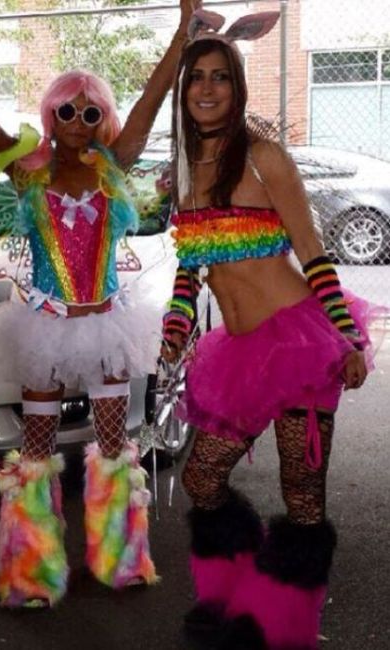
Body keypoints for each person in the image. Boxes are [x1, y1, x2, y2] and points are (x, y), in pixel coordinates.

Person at [0, 0, 199, 608]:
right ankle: (30, 571)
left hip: (106, 325)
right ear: (50, 114)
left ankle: (120, 559)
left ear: (103, 119)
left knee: (115, 446)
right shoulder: (29, 173)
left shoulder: (113, 167)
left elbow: (151, 102)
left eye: (90, 111)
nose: (77, 120)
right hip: (44, 326)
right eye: (66, 110)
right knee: (37, 447)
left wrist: (183, 32)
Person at [161, 9, 376, 650]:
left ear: (237, 87)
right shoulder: (184, 170)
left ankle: (279, 627)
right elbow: (190, 266)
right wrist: (175, 326)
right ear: (184, 91)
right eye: (196, 78)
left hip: (301, 344)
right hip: (239, 355)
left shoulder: (264, 158)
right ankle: (236, 598)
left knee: (302, 491)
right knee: (202, 479)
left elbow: (313, 252)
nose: (207, 88)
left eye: (220, 77)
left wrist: (348, 338)